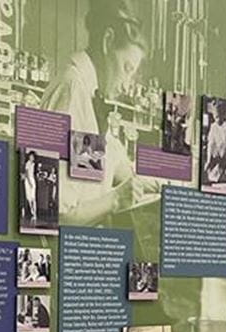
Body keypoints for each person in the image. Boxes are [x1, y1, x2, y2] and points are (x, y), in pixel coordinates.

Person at [40, 0, 154, 225]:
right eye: (127, 68)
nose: (126, 85)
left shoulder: (90, 93)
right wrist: (116, 199)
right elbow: (51, 213)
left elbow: (107, 160)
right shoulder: (72, 90)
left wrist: (144, 180)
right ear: (108, 41)